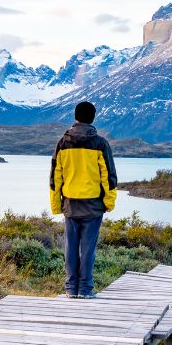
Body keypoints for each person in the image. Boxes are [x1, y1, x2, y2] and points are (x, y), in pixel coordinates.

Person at [49, 101, 117, 298]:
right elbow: (109, 176)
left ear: (75, 117)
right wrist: (109, 202)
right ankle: (85, 289)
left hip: (70, 204)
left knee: (70, 247)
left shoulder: (62, 143)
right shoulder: (100, 143)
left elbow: (55, 178)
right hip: (94, 205)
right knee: (88, 249)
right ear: (93, 118)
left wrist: (56, 205)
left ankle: (71, 289)